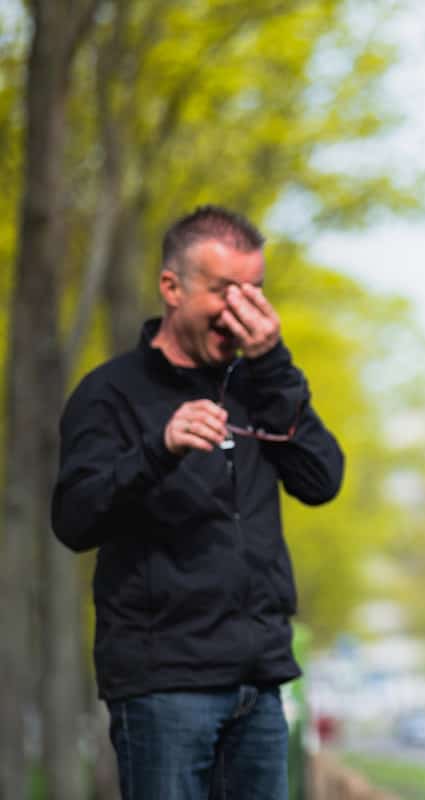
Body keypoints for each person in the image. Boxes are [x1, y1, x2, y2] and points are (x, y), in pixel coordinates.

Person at [52, 205, 344, 799]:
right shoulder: (110, 393)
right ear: (172, 287)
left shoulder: (259, 384)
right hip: (163, 687)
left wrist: (272, 364)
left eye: (254, 291)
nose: (240, 309)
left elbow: (321, 479)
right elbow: (74, 519)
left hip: (260, 683)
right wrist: (158, 449)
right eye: (224, 290)